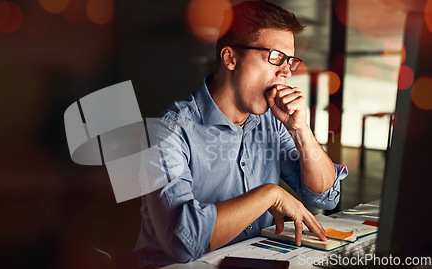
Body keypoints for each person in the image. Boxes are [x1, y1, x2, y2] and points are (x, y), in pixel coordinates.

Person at [133, 1, 348, 268]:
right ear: (230, 58)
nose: (286, 72)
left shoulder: (273, 122)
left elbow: (326, 196)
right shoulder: (167, 132)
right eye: (275, 57)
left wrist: (300, 129)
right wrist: (270, 194)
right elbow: (182, 242)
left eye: (290, 61)